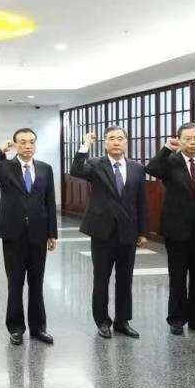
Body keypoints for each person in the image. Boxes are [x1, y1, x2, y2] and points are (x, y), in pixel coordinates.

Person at [0, 128, 57, 346]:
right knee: (15, 283)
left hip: (38, 234)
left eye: (31, 142)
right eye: (22, 142)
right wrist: (1, 151)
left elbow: (49, 201)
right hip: (13, 234)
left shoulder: (45, 168)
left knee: (36, 283)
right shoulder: (4, 167)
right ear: (15, 145)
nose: (28, 146)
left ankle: (39, 328)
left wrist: (52, 233)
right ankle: (15, 328)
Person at [145, 122, 195, 336]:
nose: (192, 142)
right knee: (178, 277)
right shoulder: (170, 161)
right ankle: (177, 319)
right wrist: (166, 149)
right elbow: (151, 169)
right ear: (179, 140)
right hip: (176, 230)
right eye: (187, 138)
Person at [70, 127, 148, 339]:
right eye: (111, 138)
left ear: (126, 142)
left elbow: (141, 201)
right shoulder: (96, 164)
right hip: (102, 232)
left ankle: (123, 321)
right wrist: (85, 145)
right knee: (101, 279)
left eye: (120, 138)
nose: (116, 142)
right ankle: (102, 321)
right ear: (105, 143)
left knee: (125, 279)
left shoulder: (137, 168)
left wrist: (142, 231)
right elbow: (76, 170)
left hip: (128, 232)